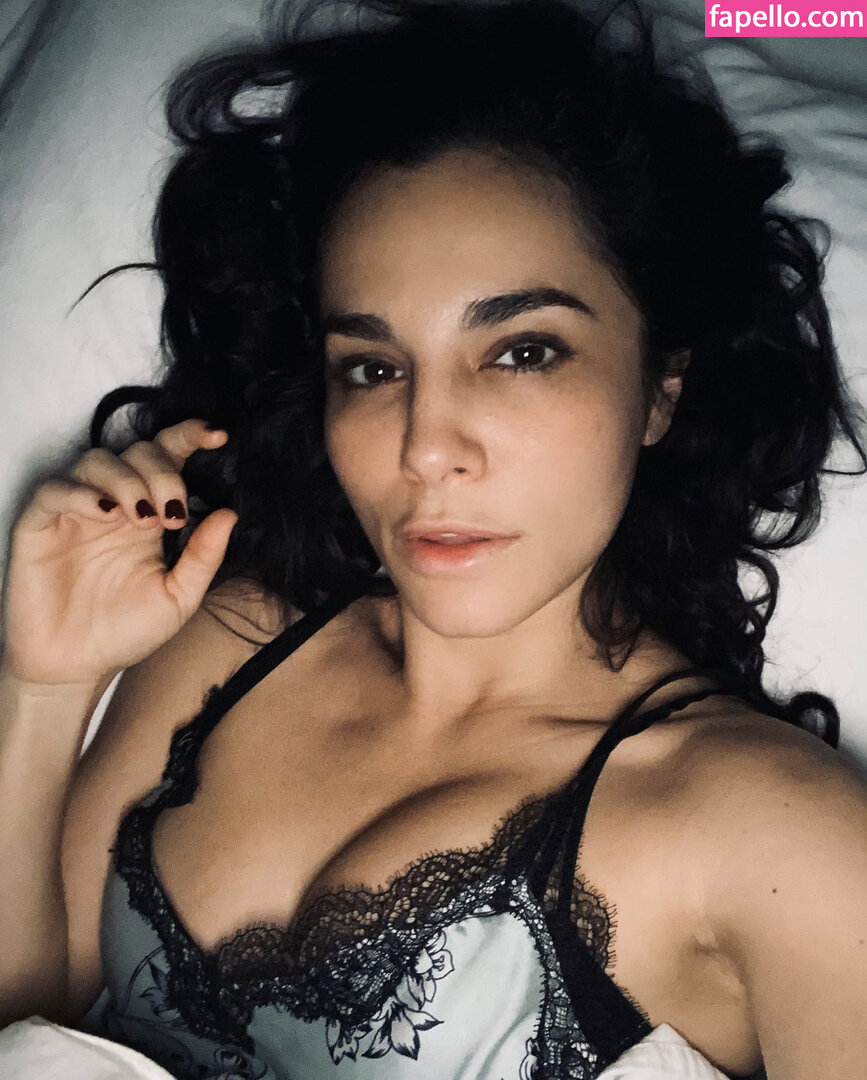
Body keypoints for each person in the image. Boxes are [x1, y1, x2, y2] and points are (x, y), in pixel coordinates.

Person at [1, 0, 865, 1077]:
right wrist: (44, 690)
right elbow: (28, 1005)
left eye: (522, 353)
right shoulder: (231, 634)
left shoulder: (771, 830)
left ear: (659, 389)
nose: (426, 447)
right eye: (373, 368)